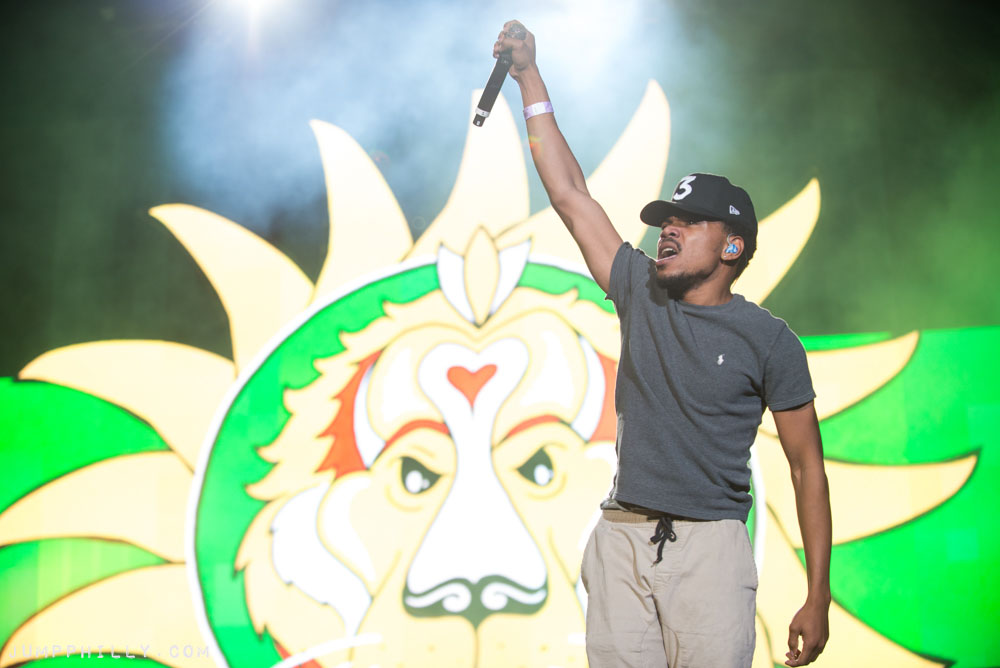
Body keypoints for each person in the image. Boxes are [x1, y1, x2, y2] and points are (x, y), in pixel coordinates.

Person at [493, 21, 832, 668]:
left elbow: (806, 469)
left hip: (711, 551)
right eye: (665, 222)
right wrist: (528, 75)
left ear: (732, 246)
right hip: (621, 539)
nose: (668, 232)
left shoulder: (769, 340)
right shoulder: (639, 287)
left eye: (689, 223)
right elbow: (569, 194)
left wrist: (818, 595)